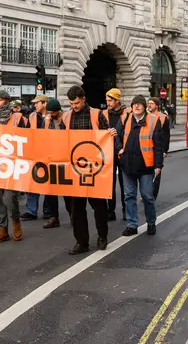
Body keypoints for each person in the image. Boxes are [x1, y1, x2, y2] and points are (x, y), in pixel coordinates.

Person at [63, 85, 117, 255]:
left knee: (99, 206)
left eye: (76, 103)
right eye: (71, 103)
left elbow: (106, 137)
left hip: (95, 168)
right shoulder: (67, 117)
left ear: (83, 99)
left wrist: (111, 133)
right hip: (75, 168)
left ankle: (102, 236)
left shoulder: (97, 114)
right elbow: (60, 139)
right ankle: (81, 242)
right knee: (76, 208)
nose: (74, 107)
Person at [119, 95, 164, 237]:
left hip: (145, 166)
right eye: (134, 104)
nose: (136, 106)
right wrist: (119, 149)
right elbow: (116, 136)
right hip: (127, 165)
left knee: (146, 196)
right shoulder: (125, 118)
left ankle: (151, 222)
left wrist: (158, 165)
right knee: (129, 196)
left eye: (139, 104)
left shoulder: (153, 120)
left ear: (144, 106)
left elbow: (158, 145)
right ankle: (132, 225)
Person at [0, 89, 27, 244]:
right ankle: (2, 229)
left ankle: (16, 222)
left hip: (13, 164)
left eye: (0, 100)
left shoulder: (18, 118)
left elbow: (28, 138)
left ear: (7, 101)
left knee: (11, 197)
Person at [21, 95, 49, 221]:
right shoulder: (32, 116)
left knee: (49, 183)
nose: (35, 105)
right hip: (33, 153)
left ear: (44, 103)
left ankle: (48, 211)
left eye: (37, 103)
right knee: (32, 182)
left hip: (48, 154)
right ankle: (31, 210)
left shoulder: (52, 115)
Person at [102, 88, 128, 221]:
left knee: (125, 184)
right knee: (109, 184)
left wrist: (119, 134)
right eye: (107, 100)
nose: (108, 103)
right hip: (108, 153)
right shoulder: (103, 114)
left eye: (110, 100)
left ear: (117, 100)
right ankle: (110, 211)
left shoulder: (126, 114)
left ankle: (125, 210)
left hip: (122, 152)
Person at [41, 99, 66, 229]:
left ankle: (73, 215)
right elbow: (40, 136)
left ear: (58, 111)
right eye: (49, 112)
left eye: (53, 112)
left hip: (65, 158)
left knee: (69, 191)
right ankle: (53, 217)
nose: (50, 114)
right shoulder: (47, 121)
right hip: (50, 158)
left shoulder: (67, 119)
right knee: (50, 191)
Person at [148, 97, 171, 200]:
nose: (149, 105)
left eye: (151, 104)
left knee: (156, 173)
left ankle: (153, 195)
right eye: (148, 103)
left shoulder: (163, 117)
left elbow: (166, 136)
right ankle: (147, 192)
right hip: (147, 148)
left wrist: (165, 150)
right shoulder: (146, 116)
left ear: (156, 106)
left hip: (159, 149)